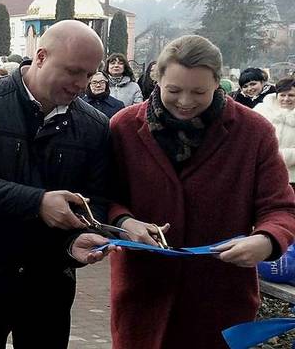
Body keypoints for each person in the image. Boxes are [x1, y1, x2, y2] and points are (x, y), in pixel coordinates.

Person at [106, 36, 295, 347]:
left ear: (217, 84)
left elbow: (280, 208)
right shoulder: (124, 127)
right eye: (174, 91)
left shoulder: (253, 132)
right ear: (158, 79)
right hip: (143, 293)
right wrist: (125, 221)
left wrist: (266, 240)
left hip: (220, 297)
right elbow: (104, 196)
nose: (185, 102)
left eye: (199, 92)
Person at [0, 20, 115, 349]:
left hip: (49, 281)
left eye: (89, 75)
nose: (81, 84)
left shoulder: (94, 126)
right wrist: (37, 202)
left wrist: (80, 240)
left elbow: (97, 201)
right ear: (42, 56)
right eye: (74, 71)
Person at [255, 78, 295, 187]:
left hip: (292, 177)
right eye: (282, 95)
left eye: (291, 95)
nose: (286, 99)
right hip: (265, 174)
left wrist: (279, 155)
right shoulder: (261, 111)